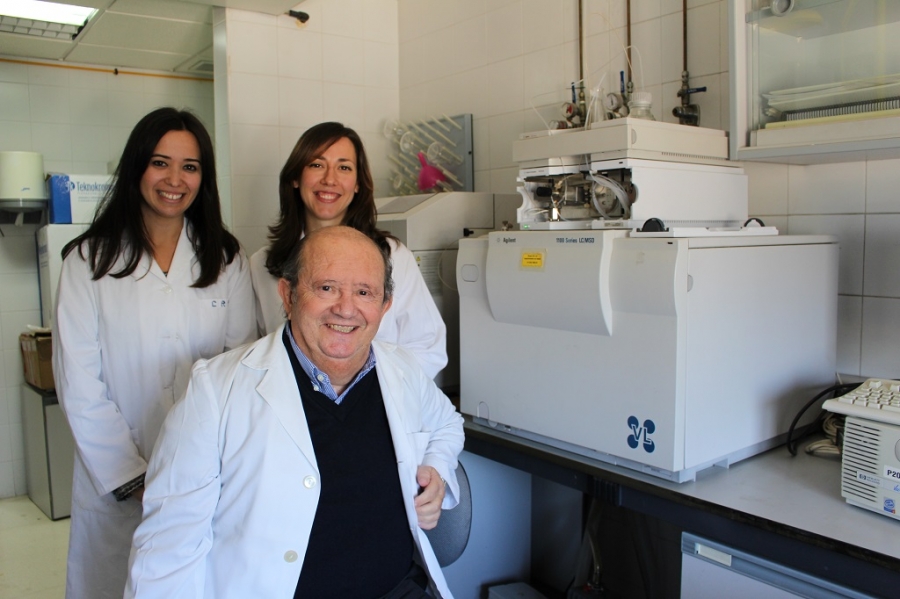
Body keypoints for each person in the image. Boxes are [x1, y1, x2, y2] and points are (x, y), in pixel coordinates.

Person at [126, 226, 465, 599]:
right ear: (287, 295)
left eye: (364, 292)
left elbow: (448, 424)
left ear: (385, 306)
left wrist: (436, 468)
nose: (346, 308)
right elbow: (168, 547)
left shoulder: (401, 369)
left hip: (398, 589)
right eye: (326, 288)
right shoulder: (215, 390)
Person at [52, 107, 257, 599]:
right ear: (136, 167)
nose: (174, 179)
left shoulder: (227, 259)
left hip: (204, 472)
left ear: (203, 178)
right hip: (118, 477)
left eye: (190, 167)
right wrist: (134, 478)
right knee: (110, 584)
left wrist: (202, 467)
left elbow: (241, 365)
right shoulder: (89, 262)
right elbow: (80, 384)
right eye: (160, 163)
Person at [250, 121, 448, 379]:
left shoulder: (393, 256)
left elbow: (428, 349)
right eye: (317, 165)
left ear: (357, 184)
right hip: (288, 408)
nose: (330, 179)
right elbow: (253, 351)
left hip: (374, 408)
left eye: (344, 167)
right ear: (296, 178)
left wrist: (363, 397)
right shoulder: (261, 264)